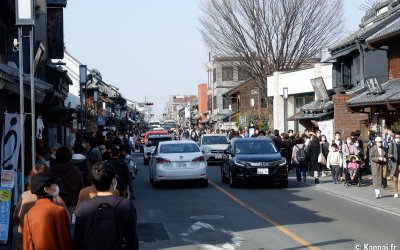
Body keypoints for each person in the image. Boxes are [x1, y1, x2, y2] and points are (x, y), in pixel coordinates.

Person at [74, 162, 139, 250]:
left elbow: (79, 239)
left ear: (93, 182)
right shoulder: (126, 205)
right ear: (113, 181)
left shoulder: (84, 207)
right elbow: (132, 237)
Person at [14, 164, 68, 250]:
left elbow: (16, 216)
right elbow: (66, 231)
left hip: (25, 243)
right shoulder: (58, 202)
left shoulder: (24, 197)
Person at [51, 146, 84, 214]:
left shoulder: (53, 171)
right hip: (74, 203)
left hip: (59, 203)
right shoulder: (75, 169)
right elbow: (81, 187)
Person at [388, 133, 400, 198]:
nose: (398, 138)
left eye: (399, 137)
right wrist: (390, 155)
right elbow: (389, 153)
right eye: (396, 137)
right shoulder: (392, 144)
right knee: (395, 179)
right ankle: (396, 192)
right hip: (395, 164)